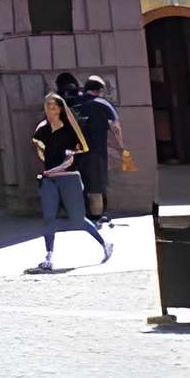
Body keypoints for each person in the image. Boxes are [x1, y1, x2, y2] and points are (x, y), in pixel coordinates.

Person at [30, 89, 113, 272]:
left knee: (78, 219)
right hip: (49, 180)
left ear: (60, 109)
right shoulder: (42, 130)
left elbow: (73, 156)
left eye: (54, 106)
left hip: (69, 178)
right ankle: (49, 257)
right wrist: (49, 171)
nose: (50, 109)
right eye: (48, 106)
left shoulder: (69, 130)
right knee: (48, 218)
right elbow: (41, 150)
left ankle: (105, 243)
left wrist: (57, 167)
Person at [70, 74, 126, 224]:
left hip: (75, 153)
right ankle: (96, 217)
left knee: (82, 183)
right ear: (100, 90)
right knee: (96, 185)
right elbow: (115, 128)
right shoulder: (103, 104)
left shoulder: (73, 103)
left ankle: (81, 214)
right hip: (96, 152)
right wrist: (121, 148)